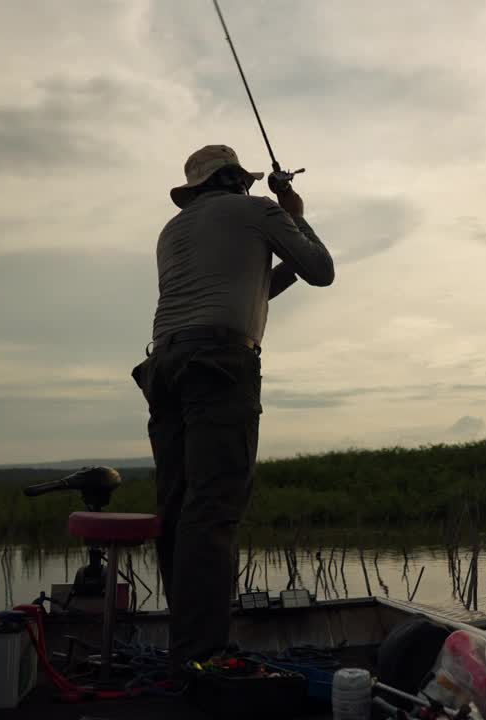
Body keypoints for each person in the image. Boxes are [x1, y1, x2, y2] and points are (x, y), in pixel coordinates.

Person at [130, 144, 334, 676]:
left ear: (196, 189)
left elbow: (257, 286)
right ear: (240, 181)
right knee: (214, 506)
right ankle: (205, 654)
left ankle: (186, 646)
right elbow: (321, 270)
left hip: (165, 366)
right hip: (220, 364)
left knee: (177, 508)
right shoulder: (255, 211)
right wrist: (295, 215)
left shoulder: (172, 232)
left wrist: (283, 223)